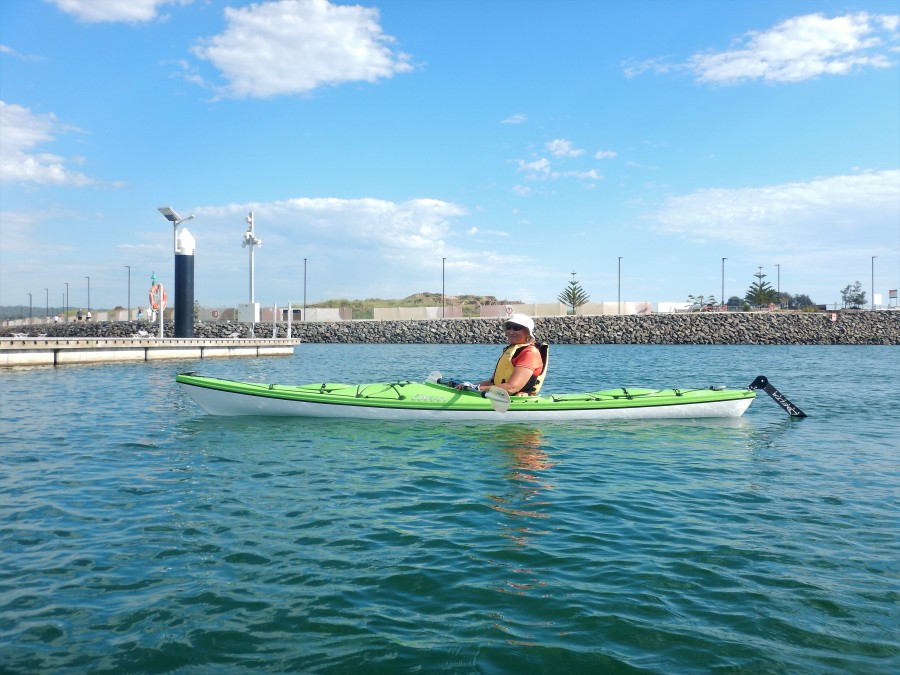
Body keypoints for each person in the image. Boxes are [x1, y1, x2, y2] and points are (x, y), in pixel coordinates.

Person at [462, 313, 548, 396]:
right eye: (509, 327)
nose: (511, 332)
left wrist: (477, 388)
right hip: (498, 396)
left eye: (516, 328)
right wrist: (470, 386)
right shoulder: (511, 350)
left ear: (528, 332)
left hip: (515, 399)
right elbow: (491, 382)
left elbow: (512, 387)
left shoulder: (529, 353)